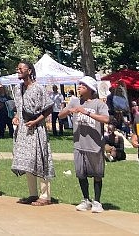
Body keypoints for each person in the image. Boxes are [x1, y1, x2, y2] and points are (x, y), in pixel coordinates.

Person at [59, 76, 110, 213]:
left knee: (97, 174)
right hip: (79, 144)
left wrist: (86, 112)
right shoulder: (74, 101)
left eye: (82, 85)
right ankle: (85, 199)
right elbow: (61, 115)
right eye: (79, 85)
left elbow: (106, 119)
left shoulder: (99, 104)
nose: (79, 87)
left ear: (90, 89)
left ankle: (97, 202)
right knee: (81, 173)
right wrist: (70, 110)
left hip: (94, 145)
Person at [11, 60, 55, 206]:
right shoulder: (18, 89)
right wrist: (16, 117)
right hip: (23, 130)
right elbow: (19, 108)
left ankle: (45, 196)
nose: (18, 70)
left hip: (37, 129)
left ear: (29, 71)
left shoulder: (38, 88)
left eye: (20, 68)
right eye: (17, 68)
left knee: (40, 159)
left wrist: (36, 121)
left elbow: (48, 108)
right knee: (27, 161)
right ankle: (32, 193)